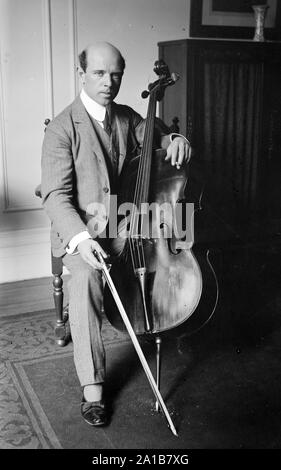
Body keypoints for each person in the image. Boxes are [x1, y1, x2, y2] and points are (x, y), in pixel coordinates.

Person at [41, 42, 191, 427]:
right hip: (81, 233)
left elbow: (153, 133)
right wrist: (80, 239)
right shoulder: (62, 128)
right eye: (99, 73)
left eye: (116, 75)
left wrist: (173, 141)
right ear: (82, 75)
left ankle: (151, 316)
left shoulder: (124, 117)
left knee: (156, 248)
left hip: (122, 226)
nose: (109, 82)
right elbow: (56, 195)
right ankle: (93, 389)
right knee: (88, 278)